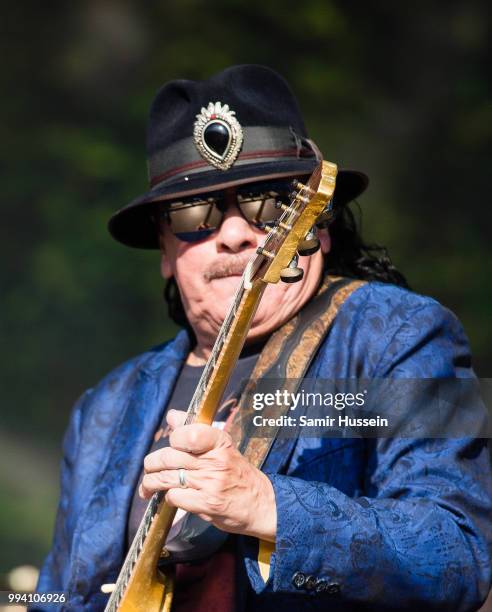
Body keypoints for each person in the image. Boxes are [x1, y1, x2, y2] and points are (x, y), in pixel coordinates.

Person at [35, 64, 492, 611]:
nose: (232, 233)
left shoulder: (403, 335)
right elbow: (58, 594)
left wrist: (266, 504)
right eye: (192, 213)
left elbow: (459, 556)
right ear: (163, 248)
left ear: (317, 225)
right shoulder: (105, 407)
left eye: (266, 202)